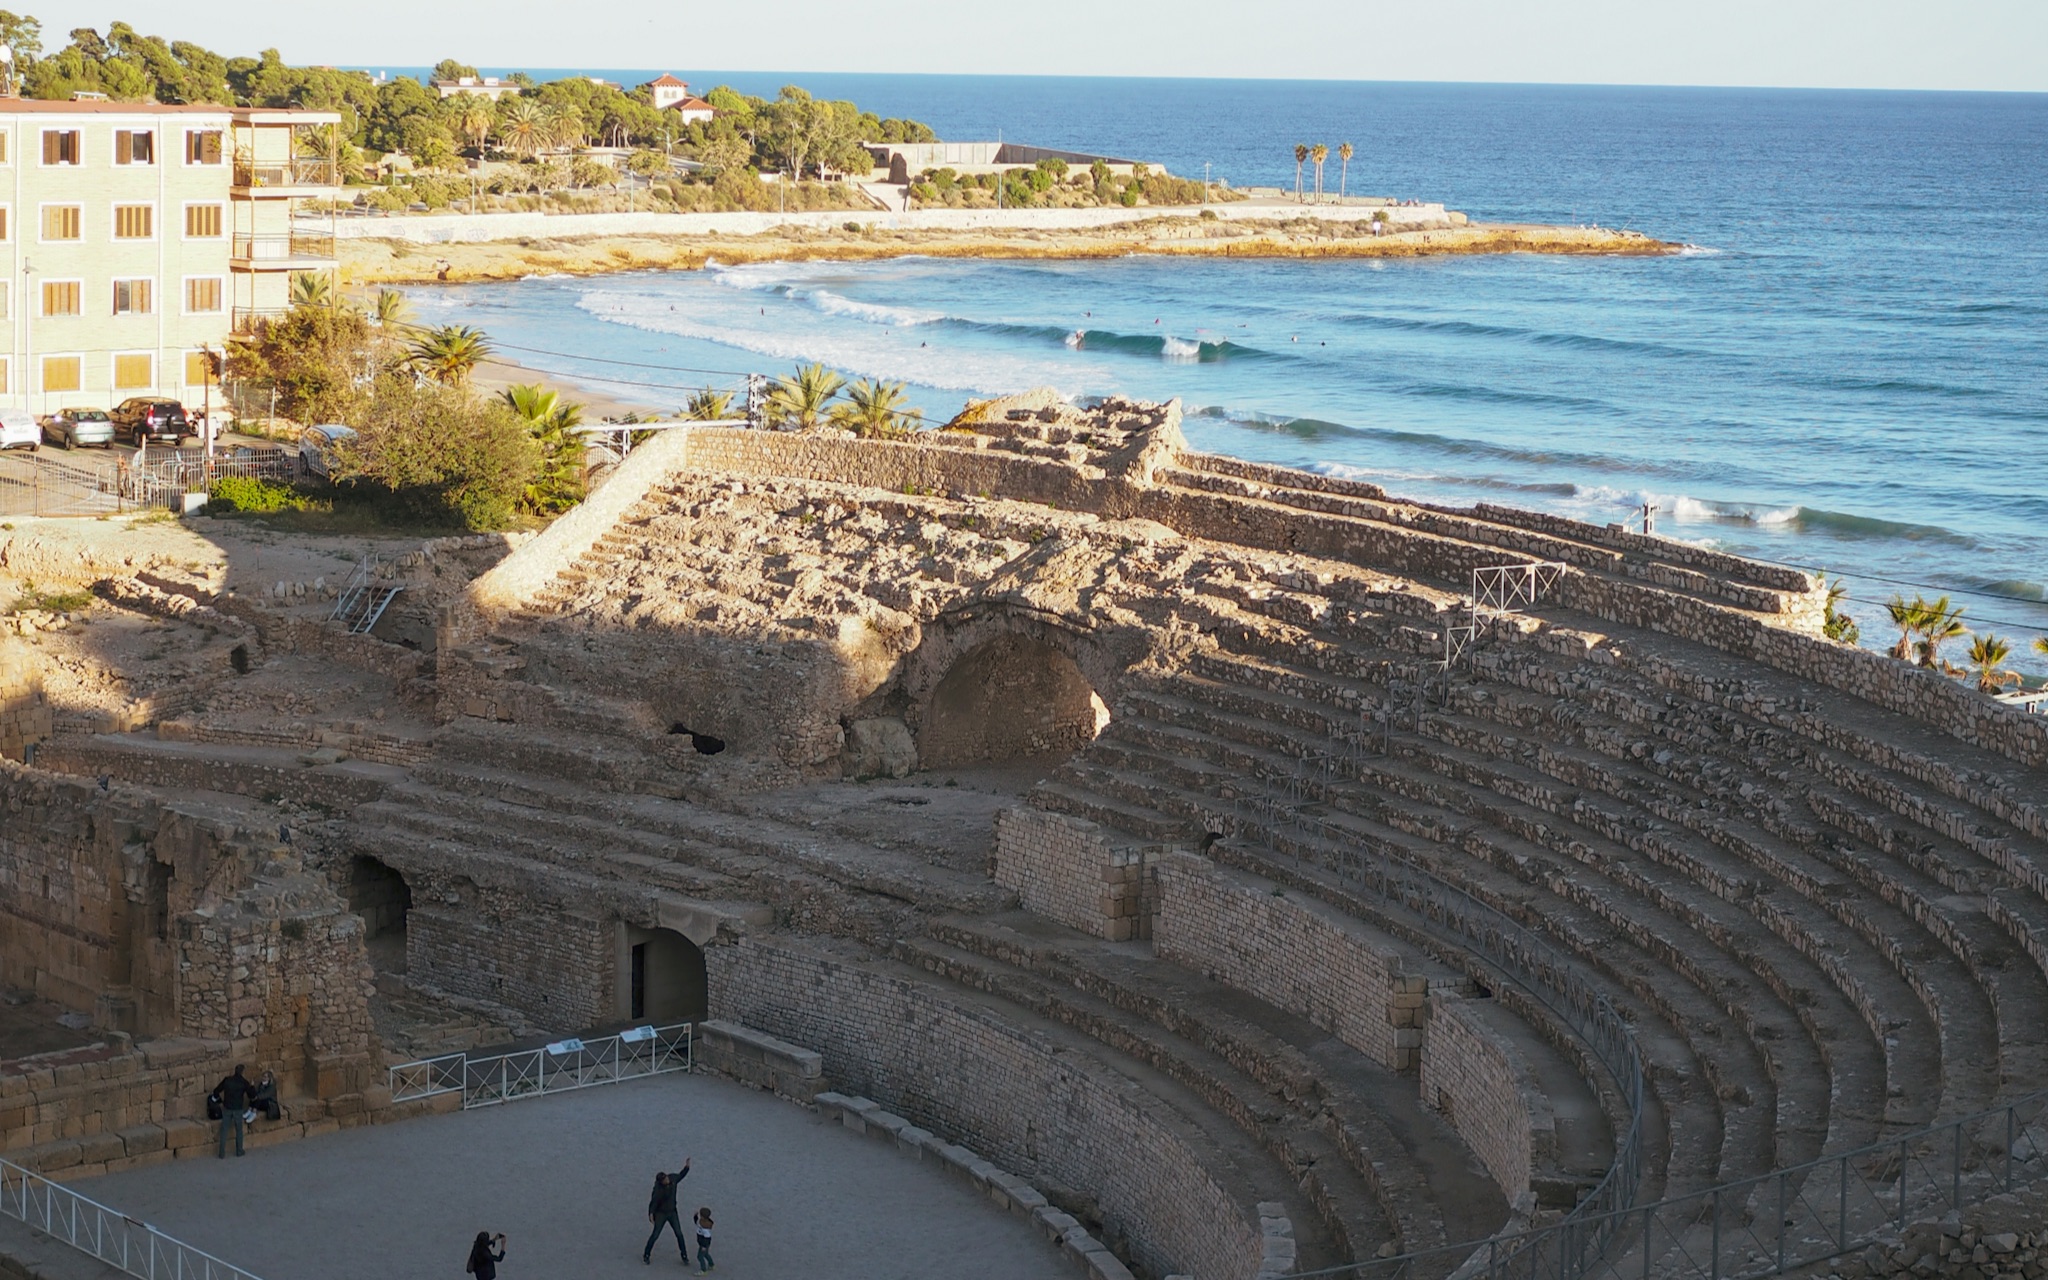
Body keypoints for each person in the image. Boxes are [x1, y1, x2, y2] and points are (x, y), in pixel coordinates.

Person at [643, 1157, 693, 1265]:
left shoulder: (673, 1179)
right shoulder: (658, 1190)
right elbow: (654, 1202)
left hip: (672, 1212)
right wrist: (651, 1214)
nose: (667, 1180)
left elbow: (680, 1175)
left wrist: (687, 1167)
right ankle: (646, 1254)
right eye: (665, 1180)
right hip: (661, 1213)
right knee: (655, 1235)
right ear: (661, 1182)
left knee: (679, 1233)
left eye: (666, 1178)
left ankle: (684, 1255)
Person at [209, 1065, 256, 1158]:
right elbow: (252, 1095)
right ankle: (239, 1151)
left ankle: (221, 1153)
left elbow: (216, 1091)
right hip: (238, 1109)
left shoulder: (227, 1080)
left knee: (224, 1130)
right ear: (243, 1072)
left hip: (227, 1108)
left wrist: (220, 1100)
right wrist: (252, 1086)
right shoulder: (244, 1082)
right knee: (239, 1130)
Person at [691, 1207, 714, 1273]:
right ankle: (711, 1264)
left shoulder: (705, 1228)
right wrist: (695, 1216)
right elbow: (696, 1223)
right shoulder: (701, 1222)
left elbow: (707, 1238)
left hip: (704, 1244)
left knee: (700, 1256)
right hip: (702, 1243)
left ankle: (703, 1270)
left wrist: (704, 1246)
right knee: (706, 1254)